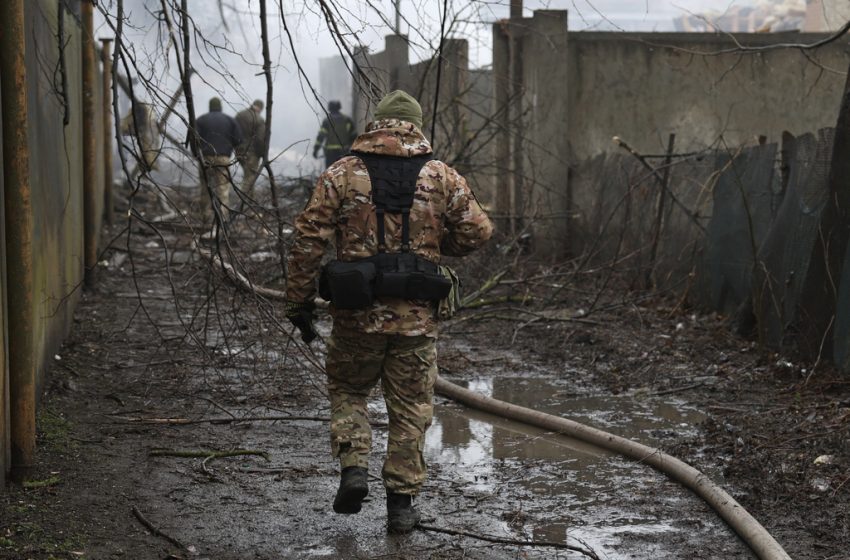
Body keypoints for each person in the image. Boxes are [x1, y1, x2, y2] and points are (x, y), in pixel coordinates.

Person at [285, 90, 493, 533]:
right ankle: (401, 505)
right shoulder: (441, 176)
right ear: (416, 126)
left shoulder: (342, 173)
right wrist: (437, 246)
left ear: (376, 124)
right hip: (415, 321)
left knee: (348, 389)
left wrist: (298, 300)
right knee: (412, 408)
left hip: (356, 315)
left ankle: (354, 469)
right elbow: (478, 231)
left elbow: (308, 239)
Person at [194, 97, 242, 229]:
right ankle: (222, 218)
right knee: (222, 188)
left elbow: (194, 138)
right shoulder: (229, 120)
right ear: (220, 106)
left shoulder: (201, 120)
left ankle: (206, 217)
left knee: (205, 187)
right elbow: (238, 139)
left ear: (209, 106)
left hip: (206, 158)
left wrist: (197, 155)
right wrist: (229, 148)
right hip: (223, 158)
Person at [120, 101, 161, 182]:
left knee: (148, 153)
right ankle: (141, 176)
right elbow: (125, 129)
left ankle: (142, 176)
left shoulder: (149, 120)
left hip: (146, 132)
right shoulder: (139, 116)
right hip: (143, 130)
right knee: (147, 153)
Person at [235, 99, 266, 197]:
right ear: (260, 108)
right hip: (252, 154)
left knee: (248, 176)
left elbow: (232, 132)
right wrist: (262, 153)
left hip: (238, 151)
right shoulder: (259, 120)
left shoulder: (239, 115)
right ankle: (243, 203)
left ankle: (249, 203)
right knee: (250, 178)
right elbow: (260, 139)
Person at [312, 100, 357, 167]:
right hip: (344, 152)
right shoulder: (347, 119)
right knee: (342, 173)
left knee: (330, 174)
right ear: (339, 107)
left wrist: (316, 150)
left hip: (330, 154)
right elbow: (354, 135)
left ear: (329, 108)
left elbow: (320, 137)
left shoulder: (327, 120)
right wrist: (350, 147)